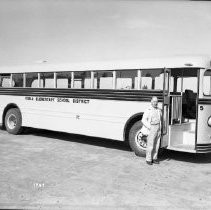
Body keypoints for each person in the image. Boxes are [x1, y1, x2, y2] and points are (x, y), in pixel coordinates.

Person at [141, 96, 162, 165]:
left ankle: (154, 158)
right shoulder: (148, 110)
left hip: (158, 127)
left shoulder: (159, 110)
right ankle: (148, 159)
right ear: (151, 102)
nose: (155, 103)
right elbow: (143, 120)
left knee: (157, 144)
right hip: (152, 127)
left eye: (156, 102)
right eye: (154, 101)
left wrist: (161, 128)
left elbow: (161, 120)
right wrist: (149, 127)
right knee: (150, 145)